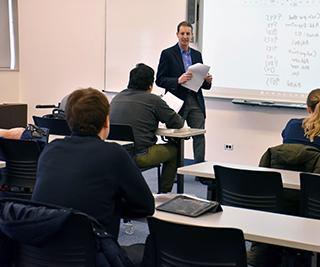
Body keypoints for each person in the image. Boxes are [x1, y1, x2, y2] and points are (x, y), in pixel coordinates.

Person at [32, 88, 154, 238]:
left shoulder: (50, 150)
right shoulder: (114, 154)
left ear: (68, 120)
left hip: (42, 252)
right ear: (106, 121)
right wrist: (112, 205)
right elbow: (146, 206)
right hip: (94, 254)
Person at [110, 63, 184, 193]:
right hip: (140, 155)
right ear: (150, 84)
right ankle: (164, 193)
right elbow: (177, 123)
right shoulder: (153, 100)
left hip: (116, 154)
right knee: (175, 151)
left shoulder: (116, 98)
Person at [156, 21, 212, 164]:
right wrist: (177, 80)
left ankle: (200, 171)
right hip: (177, 101)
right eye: (182, 33)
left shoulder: (197, 55)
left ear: (192, 35)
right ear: (177, 35)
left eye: (188, 34)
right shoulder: (168, 54)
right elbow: (159, 80)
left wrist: (207, 81)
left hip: (195, 100)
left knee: (199, 136)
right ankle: (173, 171)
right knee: (175, 137)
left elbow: (202, 84)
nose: (185, 36)